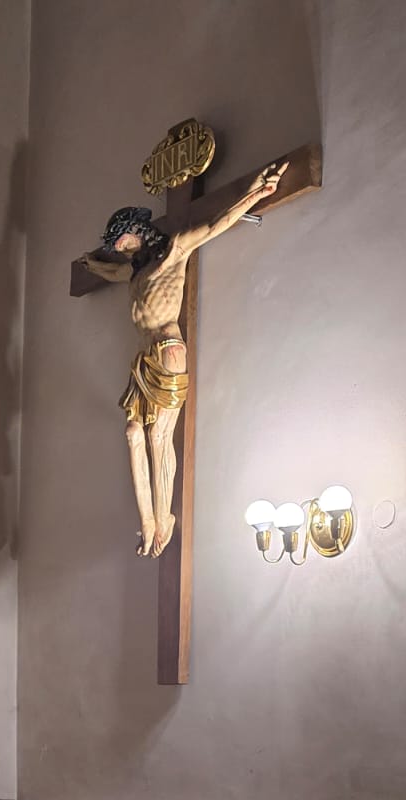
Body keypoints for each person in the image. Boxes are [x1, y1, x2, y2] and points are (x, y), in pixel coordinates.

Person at [78, 160, 287, 558]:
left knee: (159, 436)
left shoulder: (173, 253)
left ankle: (164, 518)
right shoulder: (136, 274)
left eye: (120, 239)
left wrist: (256, 192)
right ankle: (147, 519)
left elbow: (214, 226)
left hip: (169, 350)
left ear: (135, 232)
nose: (118, 247)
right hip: (143, 358)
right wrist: (92, 265)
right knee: (132, 433)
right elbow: (112, 273)